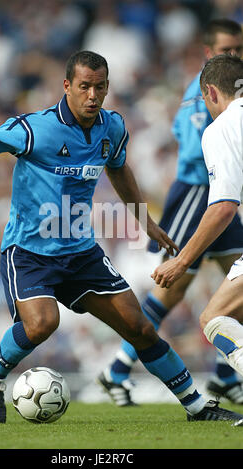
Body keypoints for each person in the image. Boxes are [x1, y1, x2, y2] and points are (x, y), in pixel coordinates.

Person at [0, 50, 243, 425]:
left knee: (139, 327)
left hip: (81, 252)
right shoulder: (34, 128)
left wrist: (145, 222)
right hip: (29, 252)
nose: (93, 95)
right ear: (67, 86)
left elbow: (119, 169)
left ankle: (197, 407)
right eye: (85, 86)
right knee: (42, 324)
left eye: (100, 87)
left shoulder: (112, 127)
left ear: (107, 88)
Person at [97, 19, 243, 407]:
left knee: (233, 287)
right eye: (227, 49)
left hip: (218, 193)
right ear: (210, 53)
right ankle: (117, 368)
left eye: (238, 48)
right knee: (170, 290)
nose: (235, 55)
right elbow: (196, 151)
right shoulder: (207, 90)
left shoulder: (229, 88)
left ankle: (227, 376)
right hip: (200, 192)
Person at [152, 53, 243, 394]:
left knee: (214, 318)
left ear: (210, 93)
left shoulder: (221, 128)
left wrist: (182, 260)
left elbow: (222, 208)